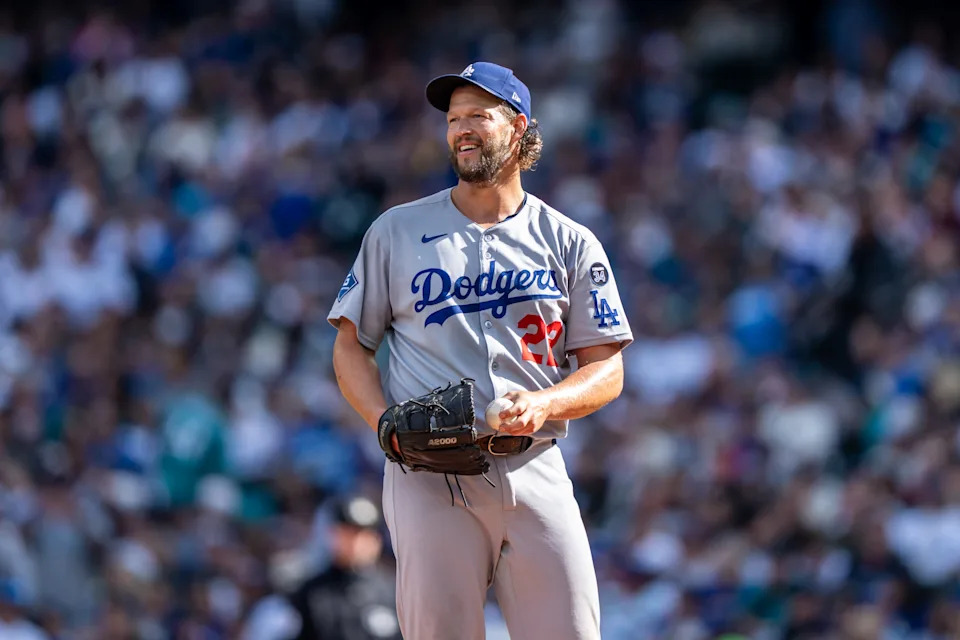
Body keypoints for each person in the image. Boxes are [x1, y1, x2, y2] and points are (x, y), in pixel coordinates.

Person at [328, 61, 633, 640]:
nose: (460, 130)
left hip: (533, 461)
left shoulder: (569, 240)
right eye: (452, 119)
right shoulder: (395, 231)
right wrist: (382, 423)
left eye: (478, 117)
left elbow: (607, 368)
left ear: (518, 127)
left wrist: (547, 403)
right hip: (429, 475)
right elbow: (350, 348)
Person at [287, 495, 400, 640]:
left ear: (377, 539)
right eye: (348, 533)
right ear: (332, 535)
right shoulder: (311, 593)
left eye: (363, 534)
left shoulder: (392, 592)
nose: (356, 542)